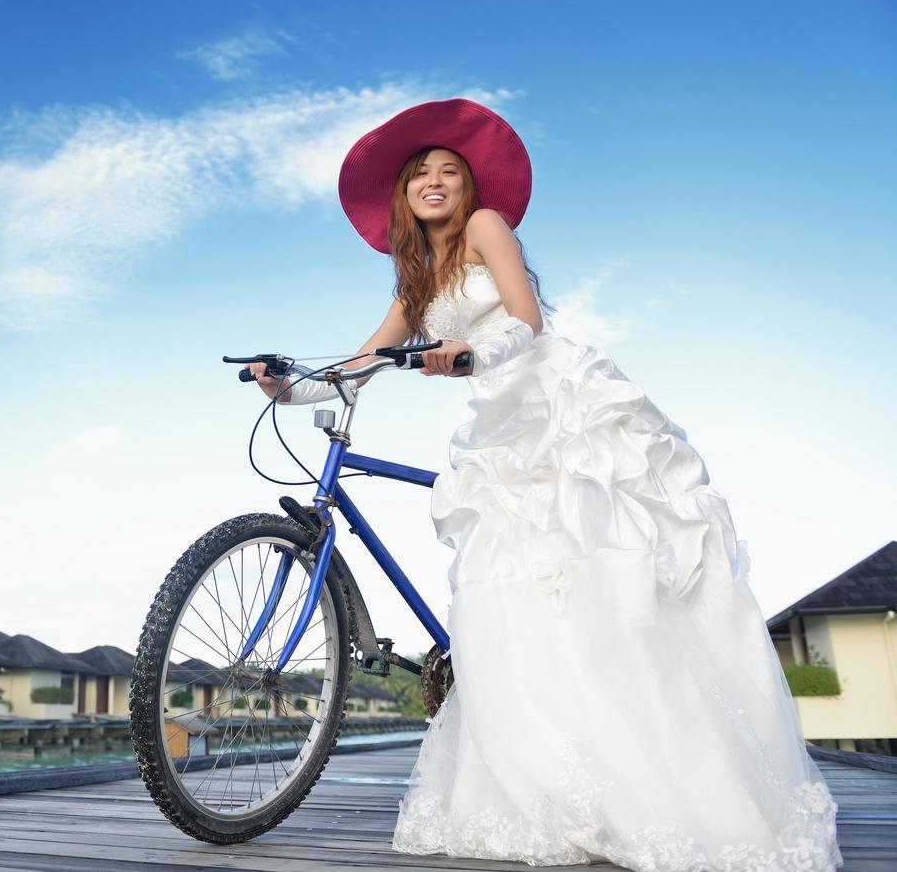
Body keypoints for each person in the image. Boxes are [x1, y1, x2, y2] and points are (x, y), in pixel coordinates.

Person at [248, 98, 843, 872]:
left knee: (592, 580)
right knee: (508, 592)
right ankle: (544, 779)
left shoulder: (488, 229)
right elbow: (359, 362)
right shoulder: (413, 283)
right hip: (499, 433)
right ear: (400, 196)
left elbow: (524, 320)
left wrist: (469, 355)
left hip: (560, 414)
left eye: (449, 172)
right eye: (420, 174)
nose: (434, 181)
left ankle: (645, 778)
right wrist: (285, 387)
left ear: (468, 189)